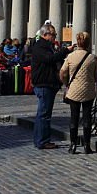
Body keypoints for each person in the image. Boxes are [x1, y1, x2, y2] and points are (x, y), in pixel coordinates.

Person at [29, 22, 69, 150]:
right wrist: (64, 51)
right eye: (53, 35)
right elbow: (50, 59)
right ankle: (42, 140)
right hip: (43, 84)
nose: (55, 37)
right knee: (44, 114)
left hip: (47, 83)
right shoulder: (41, 46)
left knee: (42, 114)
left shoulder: (46, 46)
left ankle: (39, 139)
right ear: (45, 34)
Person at [60, 31, 97, 155]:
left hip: (74, 90)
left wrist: (66, 83)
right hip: (88, 90)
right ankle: (87, 145)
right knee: (87, 117)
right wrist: (91, 79)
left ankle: (73, 145)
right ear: (88, 43)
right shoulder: (92, 57)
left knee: (74, 118)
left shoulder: (71, 56)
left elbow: (62, 72)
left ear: (78, 43)